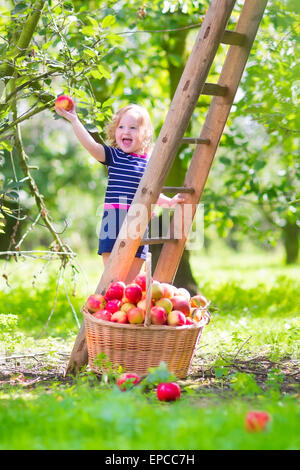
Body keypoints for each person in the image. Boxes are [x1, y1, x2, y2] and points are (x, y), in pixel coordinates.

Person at [55, 102, 185, 282]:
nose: (126, 131)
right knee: (113, 279)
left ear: (145, 134)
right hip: (114, 219)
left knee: (131, 281)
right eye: (121, 126)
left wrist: (168, 202)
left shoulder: (149, 163)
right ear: (115, 131)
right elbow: (91, 146)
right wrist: (74, 120)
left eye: (133, 127)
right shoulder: (115, 156)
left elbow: (151, 193)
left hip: (139, 221)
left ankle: (127, 306)